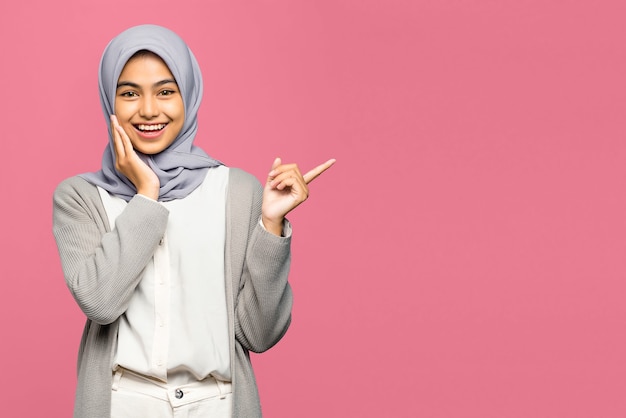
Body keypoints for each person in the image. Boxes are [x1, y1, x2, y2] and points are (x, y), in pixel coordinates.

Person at [52, 24, 334, 418]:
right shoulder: (81, 197)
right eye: (130, 93)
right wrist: (146, 193)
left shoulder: (237, 191)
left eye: (166, 92)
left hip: (216, 405)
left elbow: (259, 333)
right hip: (123, 404)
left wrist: (270, 225)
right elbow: (100, 302)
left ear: (189, 93)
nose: (149, 110)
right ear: (109, 100)